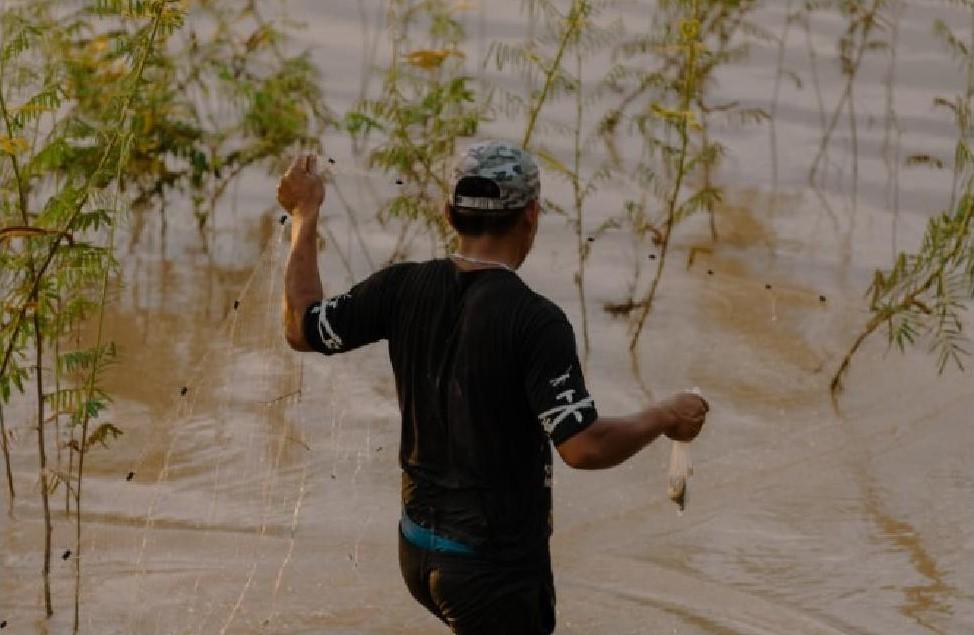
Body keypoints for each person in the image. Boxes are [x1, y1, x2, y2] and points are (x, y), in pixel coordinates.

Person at [278, 140, 709, 635]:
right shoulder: (534, 320)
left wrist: (304, 214)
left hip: (417, 550)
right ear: (531, 216)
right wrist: (665, 415)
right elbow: (584, 447)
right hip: (492, 570)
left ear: (448, 213)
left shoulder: (401, 287)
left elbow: (301, 326)